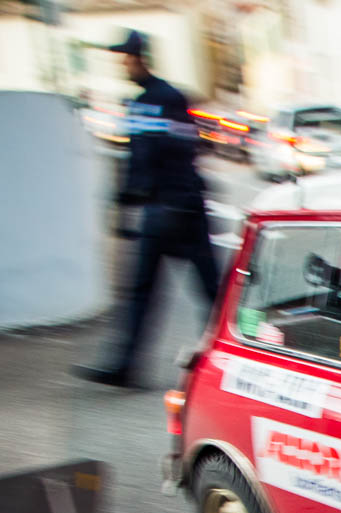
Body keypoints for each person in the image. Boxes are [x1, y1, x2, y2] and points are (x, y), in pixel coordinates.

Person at [73, 30, 219, 389]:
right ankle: (124, 366)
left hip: (179, 210)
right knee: (145, 292)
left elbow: (177, 151)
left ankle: (224, 364)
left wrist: (162, 202)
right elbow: (139, 160)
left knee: (210, 294)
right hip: (163, 210)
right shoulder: (142, 101)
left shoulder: (165, 98)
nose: (121, 63)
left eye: (125, 57)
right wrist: (125, 208)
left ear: (140, 58)